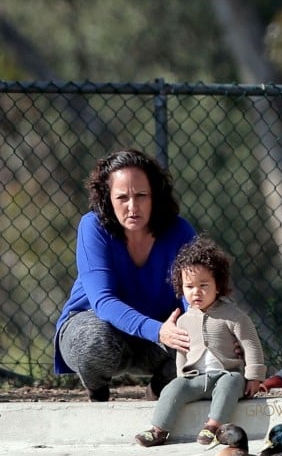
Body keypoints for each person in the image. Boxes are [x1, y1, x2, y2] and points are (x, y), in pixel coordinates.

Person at [54, 149, 198, 401]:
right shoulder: (93, 227)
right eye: (122, 197)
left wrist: (197, 327)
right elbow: (103, 301)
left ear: (155, 196)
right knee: (94, 342)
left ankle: (159, 391)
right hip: (100, 329)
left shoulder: (180, 231)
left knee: (201, 332)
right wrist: (158, 331)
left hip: (159, 336)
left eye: (141, 195)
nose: (132, 207)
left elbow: (194, 297)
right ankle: (97, 392)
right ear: (107, 199)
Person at [134, 235, 266, 447]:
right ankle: (158, 430)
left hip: (226, 374)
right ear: (181, 287)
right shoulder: (185, 320)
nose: (196, 292)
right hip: (196, 379)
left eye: (204, 285)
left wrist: (254, 377)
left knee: (229, 384)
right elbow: (182, 352)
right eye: (189, 286)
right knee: (173, 388)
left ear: (218, 285)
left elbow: (250, 344)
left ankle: (213, 426)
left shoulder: (233, 315)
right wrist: (181, 378)